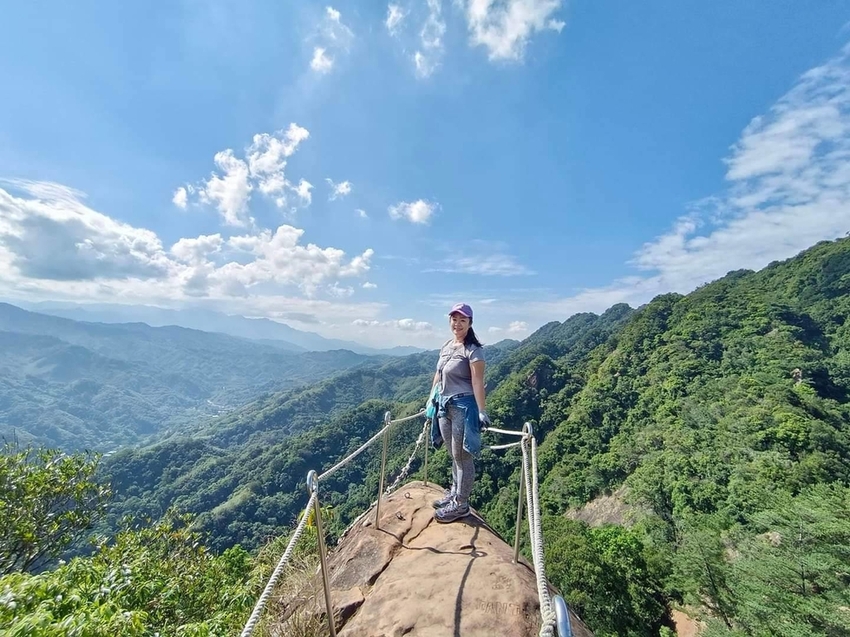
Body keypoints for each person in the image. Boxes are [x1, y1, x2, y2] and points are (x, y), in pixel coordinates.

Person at [427, 302, 491, 523]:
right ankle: (454, 493)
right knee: (453, 453)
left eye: (462, 320)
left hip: (463, 406)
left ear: (470, 323)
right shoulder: (447, 346)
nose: (457, 323)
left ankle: (461, 504)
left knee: (463, 456)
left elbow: (477, 380)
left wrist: (482, 410)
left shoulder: (473, 350)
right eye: (454, 319)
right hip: (444, 405)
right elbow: (439, 375)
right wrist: (430, 400)